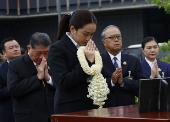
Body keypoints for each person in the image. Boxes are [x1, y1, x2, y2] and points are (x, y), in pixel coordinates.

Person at [48, 9, 98, 114]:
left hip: (91, 105)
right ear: (72, 29)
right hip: (70, 107)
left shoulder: (88, 47)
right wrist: (88, 61)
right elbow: (63, 81)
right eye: (85, 34)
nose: (88, 38)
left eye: (92, 35)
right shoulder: (57, 48)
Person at [7, 32, 55, 122]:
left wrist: (49, 79)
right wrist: (37, 78)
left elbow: (61, 84)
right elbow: (13, 90)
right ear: (29, 48)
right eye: (38, 53)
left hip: (51, 115)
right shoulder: (16, 64)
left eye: (46, 53)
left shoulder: (52, 61)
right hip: (28, 117)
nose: (42, 57)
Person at [101, 25, 145, 107]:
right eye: (111, 37)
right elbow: (92, 85)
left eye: (118, 36)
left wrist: (123, 82)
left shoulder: (133, 61)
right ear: (104, 42)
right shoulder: (98, 61)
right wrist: (111, 81)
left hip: (129, 109)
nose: (116, 40)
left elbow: (142, 84)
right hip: (106, 109)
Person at [0, 37, 21, 122]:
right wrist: (16, 87)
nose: (15, 49)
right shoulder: (1, 70)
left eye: (17, 46)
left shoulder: (30, 66)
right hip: (9, 114)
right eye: (11, 48)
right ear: (4, 53)